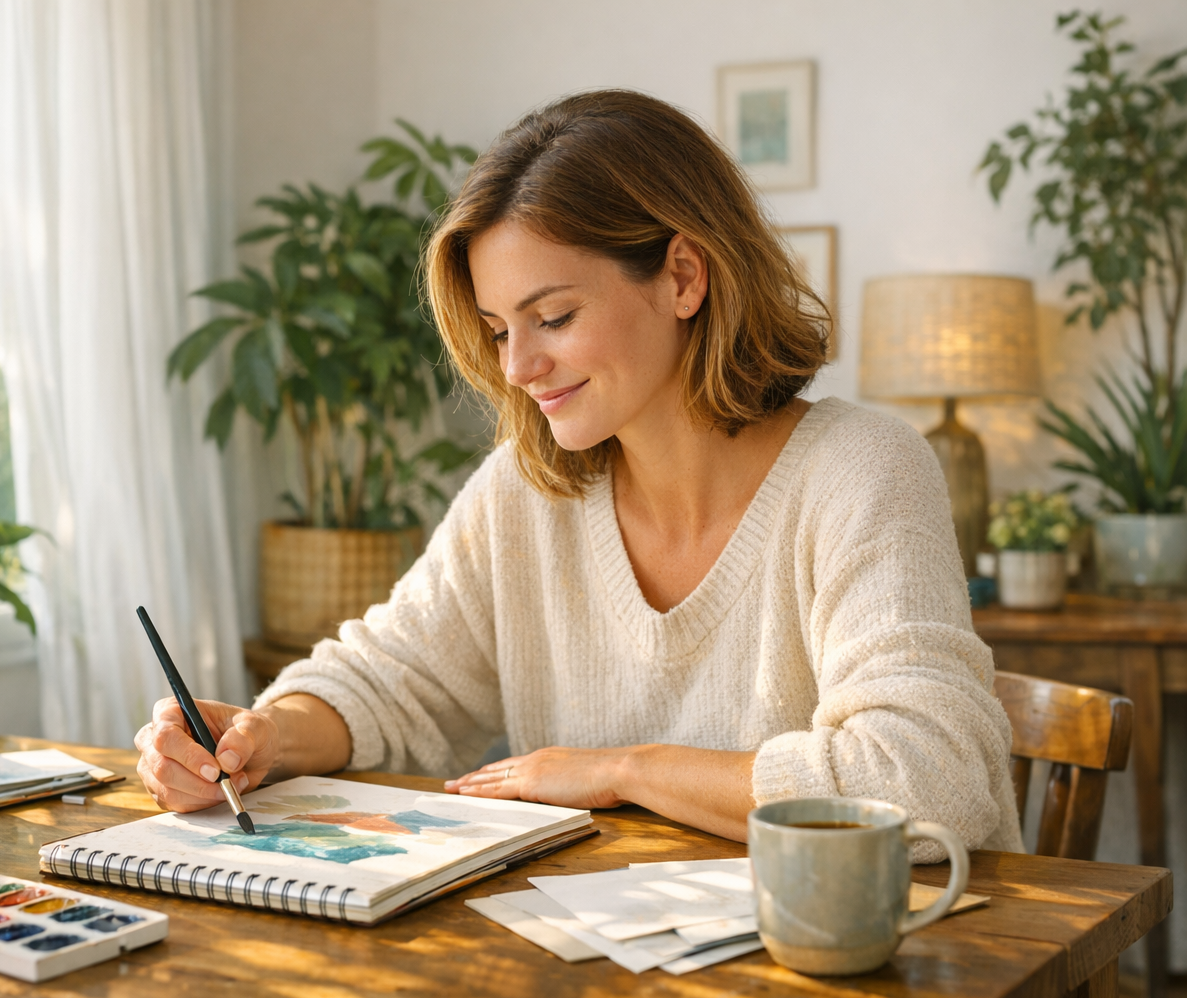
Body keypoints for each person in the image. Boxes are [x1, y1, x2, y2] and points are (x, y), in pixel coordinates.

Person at [136, 89, 1022, 857]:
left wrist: (623, 770)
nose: (517, 367)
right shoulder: (526, 492)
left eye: (553, 317)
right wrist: (263, 736)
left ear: (683, 276)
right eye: (498, 330)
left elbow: (924, 784)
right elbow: (391, 680)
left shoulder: (860, 470)